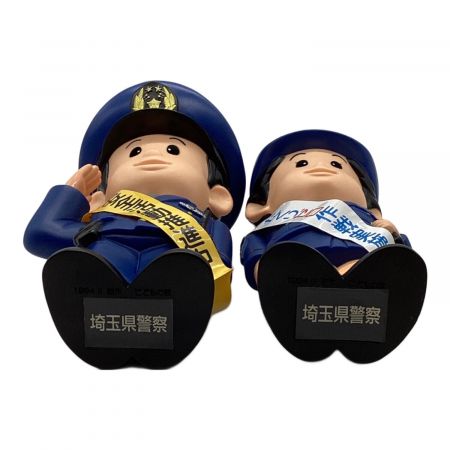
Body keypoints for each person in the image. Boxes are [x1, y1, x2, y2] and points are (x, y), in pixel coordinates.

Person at [241, 129, 409, 289]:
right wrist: (262, 269)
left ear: (371, 208)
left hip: (363, 263)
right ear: (259, 207)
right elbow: (255, 247)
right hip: (295, 266)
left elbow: (403, 255)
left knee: (373, 268)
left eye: (336, 164)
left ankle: (361, 283)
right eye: (302, 163)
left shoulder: (366, 221)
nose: (321, 166)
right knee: (299, 272)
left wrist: (393, 235)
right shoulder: (271, 228)